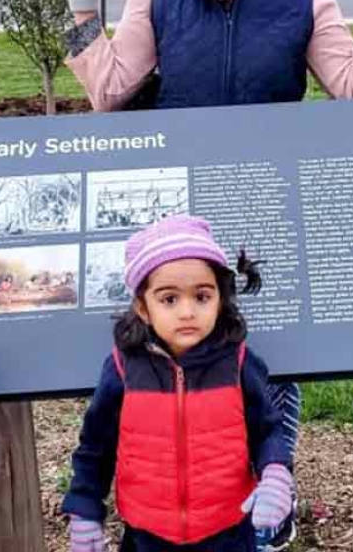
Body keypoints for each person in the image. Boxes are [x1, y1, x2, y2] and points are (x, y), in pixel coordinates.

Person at [47, 0, 353, 547]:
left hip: (264, 208)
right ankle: (172, 502)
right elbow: (108, 88)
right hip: (181, 220)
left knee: (269, 366)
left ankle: (268, 493)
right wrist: (80, 8)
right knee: (176, 365)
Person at [62, 215, 292, 551]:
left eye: (202, 297)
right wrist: (84, 510)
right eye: (169, 299)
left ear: (219, 298)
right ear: (143, 306)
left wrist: (275, 473)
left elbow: (267, 430)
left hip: (227, 532)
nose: (187, 312)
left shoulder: (238, 363)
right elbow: (95, 447)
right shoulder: (123, 369)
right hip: (148, 535)